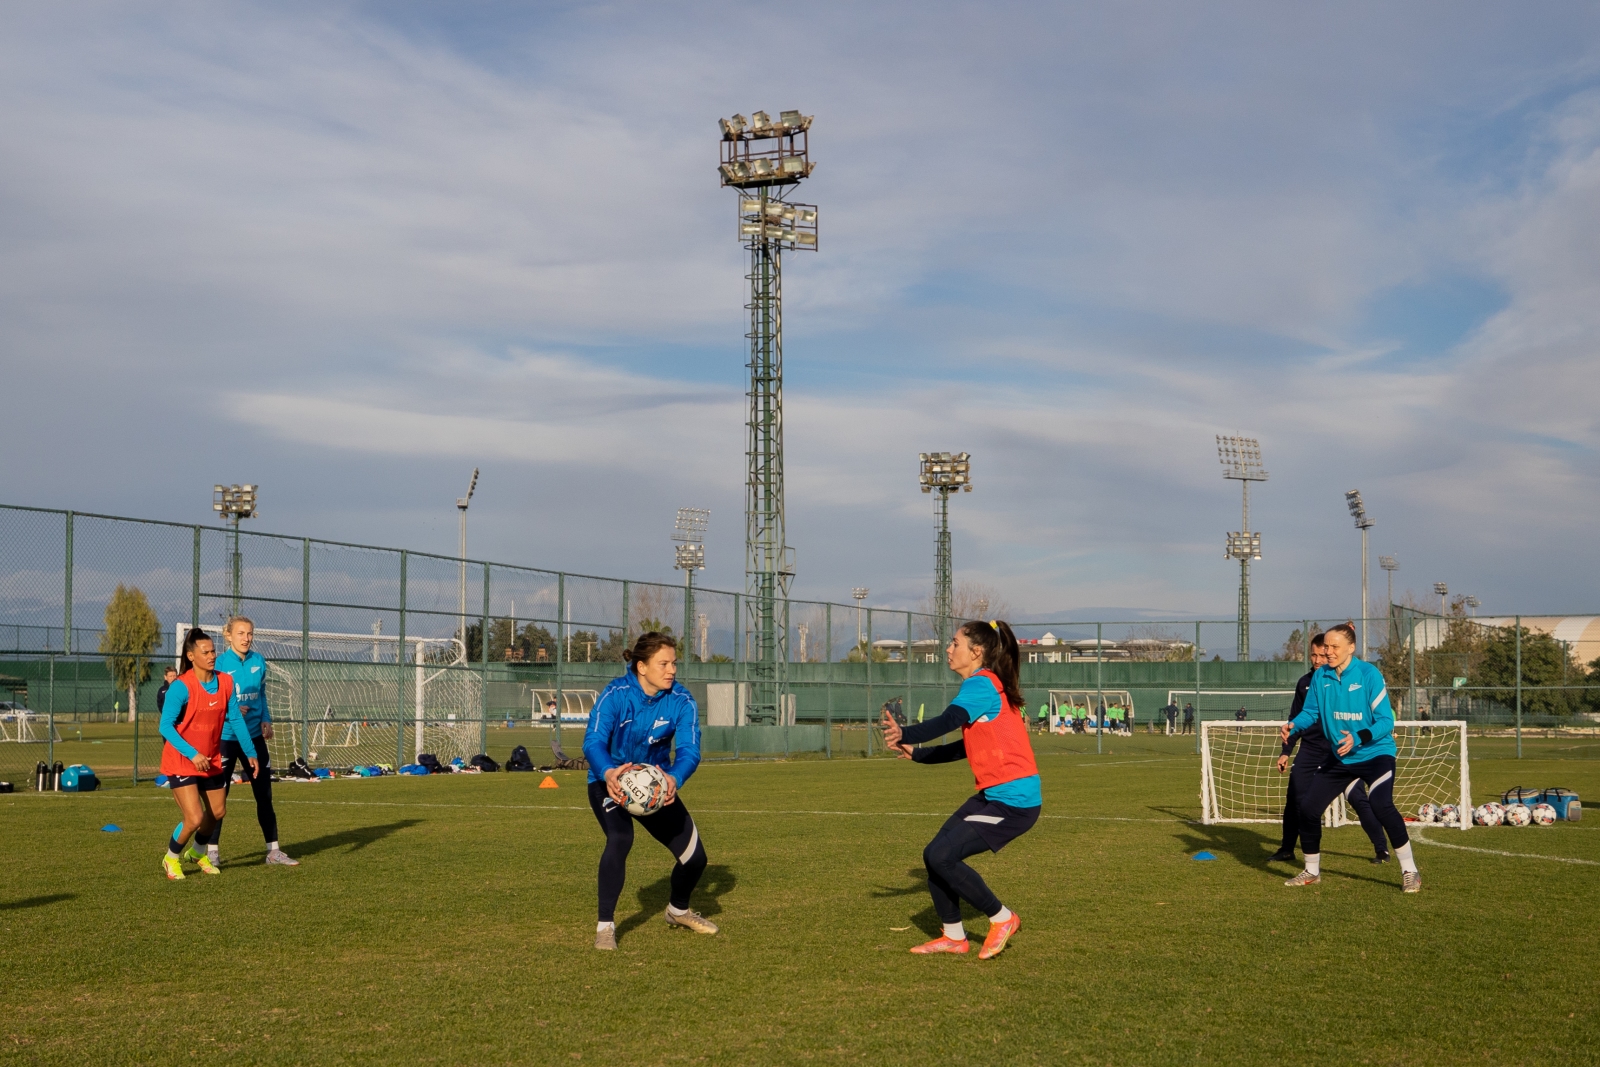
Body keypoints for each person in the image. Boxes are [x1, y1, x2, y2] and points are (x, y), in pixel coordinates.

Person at [882, 620, 1039, 960]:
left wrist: (904, 733)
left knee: (942, 855)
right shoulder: (986, 687)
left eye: (955, 643)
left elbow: (945, 722)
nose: (949, 649)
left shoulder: (981, 685)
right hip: (995, 795)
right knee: (934, 855)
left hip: (1014, 801)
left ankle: (1003, 918)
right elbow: (964, 746)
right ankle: (954, 936)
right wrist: (919, 754)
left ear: (976, 651)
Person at [583, 632, 714, 950]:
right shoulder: (616, 694)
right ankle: (605, 928)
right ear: (641, 666)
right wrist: (609, 771)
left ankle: (677, 911)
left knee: (695, 859)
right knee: (621, 838)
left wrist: (674, 779)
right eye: (664, 663)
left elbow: (689, 751)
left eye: (674, 664)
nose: (671, 670)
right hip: (609, 783)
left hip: (657, 788)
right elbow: (593, 741)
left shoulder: (681, 701)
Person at [1280, 623, 1421, 893]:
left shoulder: (1369, 674)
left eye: (1334, 647)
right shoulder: (1320, 677)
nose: (1328, 652)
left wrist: (1357, 737)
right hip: (1341, 758)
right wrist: (1292, 725)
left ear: (1351, 648)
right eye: (1325, 647)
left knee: (1381, 805)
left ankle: (1410, 871)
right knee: (1308, 809)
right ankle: (1311, 871)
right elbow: (1311, 714)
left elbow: (1385, 722)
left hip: (1375, 753)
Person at [1270, 633, 1388, 865]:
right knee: (1295, 799)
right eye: (1313, 654)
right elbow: (1296, 718)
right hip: (1310, 749)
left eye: (1322, 653)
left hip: (1338, 750)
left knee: (1358, 798)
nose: (1317, 658)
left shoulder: (1345, 678)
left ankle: (1381, 848)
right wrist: (1286, 751)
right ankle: (1287, 848)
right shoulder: (1306, 682)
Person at [190, 617, 297, 867]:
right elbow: (209, 699)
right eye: (241, 633)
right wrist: (233, 710)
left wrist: (266, 719)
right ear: (228, 636)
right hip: (225, 739)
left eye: (250, 633)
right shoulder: (218, 664)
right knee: (219, 798)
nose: (246, 638)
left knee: (264, 795)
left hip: (254, 739)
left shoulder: (258, 662)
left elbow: (261, 695)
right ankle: (212, 852)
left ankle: (273, 851)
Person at [158, 628, 258, 880]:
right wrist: (192, 754)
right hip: (183, 760)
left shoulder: (225, 681)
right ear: (191, 656)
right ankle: (171, 858)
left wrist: (250, 752)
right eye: (206, 652)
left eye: (213, 650)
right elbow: (165, 726)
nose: (212, 655)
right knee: (194, 818)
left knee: (217, 812)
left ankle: (197, 852)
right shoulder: (181, 687)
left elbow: (234, 717)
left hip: (210, 759)